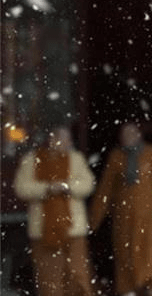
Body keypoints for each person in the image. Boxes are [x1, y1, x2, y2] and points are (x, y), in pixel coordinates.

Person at [89, 123, 152, 296]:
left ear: (139, 135)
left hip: (149, 219)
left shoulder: (151, 154)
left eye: (132, 133)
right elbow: (105, 190)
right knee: (127, 267)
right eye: (124, 134)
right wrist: (93, 220)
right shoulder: (116, 157)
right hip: (124, 221)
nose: (128, 137)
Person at [13, 126, 96, 296]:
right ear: (53, 139)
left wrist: (67, 186)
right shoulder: (32, 160)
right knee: (49, 281)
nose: (68, 143)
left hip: (73, 229)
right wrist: (47, 188)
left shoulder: (76, 159)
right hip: (44, 230)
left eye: (68, 140)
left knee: (77, 277)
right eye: (64, 139)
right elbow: (21, 188)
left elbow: (88, 184)